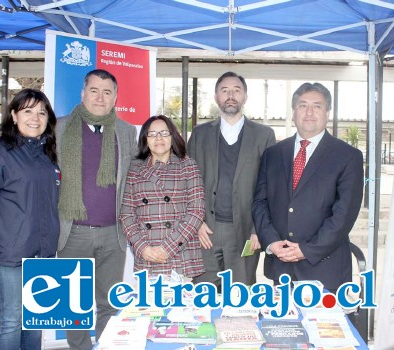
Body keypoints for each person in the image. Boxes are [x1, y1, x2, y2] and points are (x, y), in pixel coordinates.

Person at [0, 88, 60, 350]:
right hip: (10, 256)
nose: (35, 118)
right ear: (14, 115)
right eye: (28, 111)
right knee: (12, 320)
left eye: (41, 113)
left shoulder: (47, 154)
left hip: (42, 255)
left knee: (35, 320)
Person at [252, 82, 364, 292]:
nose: (309, 112)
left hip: (325, 269)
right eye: (303, 105)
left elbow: (344, 215)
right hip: (281, 265)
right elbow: (260, 202)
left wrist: (306, 250)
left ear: (328, 113)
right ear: (294, 112)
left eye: (317, 106)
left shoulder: (348, 157)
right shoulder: (273, 154)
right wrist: (271, 242)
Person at [56, 69, 137, 349]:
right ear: (82, 93)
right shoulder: (58, 127)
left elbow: (136, 174)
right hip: (72, 232)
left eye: (107, 92)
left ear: (115, 97)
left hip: (113, 234)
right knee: (72, 305)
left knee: (109, 302)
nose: (100, 97)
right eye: (94, 90)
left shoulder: (127, 132)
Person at [188, 71, 276, 288]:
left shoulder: (264, 135)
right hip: (206, 230)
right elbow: (187, 181)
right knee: (203, 293)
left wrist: (259, 229)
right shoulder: (200, 134)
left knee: (240, 295)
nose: (230, 95)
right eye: (224, 90)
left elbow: (271, 186)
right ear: (216, 97)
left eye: (236, 90)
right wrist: (195, 223)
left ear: (244, 96)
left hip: (246, 231)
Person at [120, 115, 205, 279]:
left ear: (172, 136)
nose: (158, 138)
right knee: (149, 304)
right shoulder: (135, 169)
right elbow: (127, 214)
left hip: (179, 255)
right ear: (145, 139)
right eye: (152, 134)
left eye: (164, 133)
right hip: (148, 255)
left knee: (180, 304)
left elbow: (196, 211)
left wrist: (168, 247)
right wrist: (142, 248)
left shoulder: (187, 166)